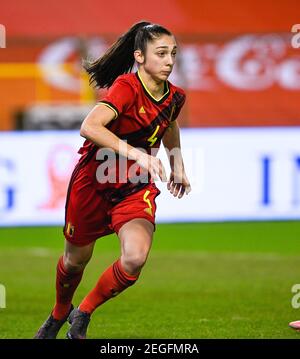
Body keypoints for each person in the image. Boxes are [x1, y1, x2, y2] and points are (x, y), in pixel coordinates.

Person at [34, 20, 191, 339]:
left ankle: (84, 313)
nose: (169, 60)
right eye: (160, 53)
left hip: (135, 188)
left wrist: (177, 164)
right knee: (74, 262)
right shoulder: (127, 88)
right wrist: (137, 153)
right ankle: (59, 312)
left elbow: (170, 125)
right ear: (140, 57)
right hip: (93, 183)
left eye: (172, 53)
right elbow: (89, 127)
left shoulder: (175, 97)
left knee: (134, 259)